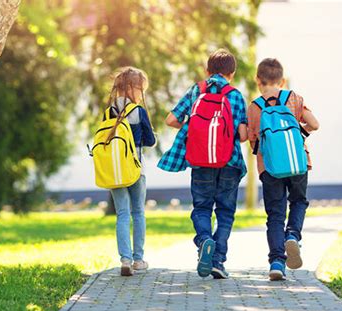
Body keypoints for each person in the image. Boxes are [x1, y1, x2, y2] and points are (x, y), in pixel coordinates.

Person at [158, 49, 248, 279]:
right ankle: (218, 260)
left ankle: (204, 240)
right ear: (232, 73)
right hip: (229, 161)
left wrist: (195, 130)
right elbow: (244, 135)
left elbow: (171, 120)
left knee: (202, 208)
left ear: (207, 71)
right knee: (226, 211)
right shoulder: (235, 95)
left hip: (200, 160)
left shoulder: (196, 90)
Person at [247, 58, 319, 280]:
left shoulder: (255, 107)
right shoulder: (294, 99)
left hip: (270, 167)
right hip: (298, 163)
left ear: (258, 80)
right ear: (283, 80)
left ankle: (277, 262)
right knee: (298, 202)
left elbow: (252, 140)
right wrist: (299, 131)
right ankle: (293, 236)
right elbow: (314, 124)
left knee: (275, 214)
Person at [106, 67, 156, 276]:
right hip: (135, 169)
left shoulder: (109, 112)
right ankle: (138, 259)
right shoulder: (138, 111)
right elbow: (150, 141)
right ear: (134, 89)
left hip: (114, 171)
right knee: (138, 212)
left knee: (122, 214)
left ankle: (124, 260)